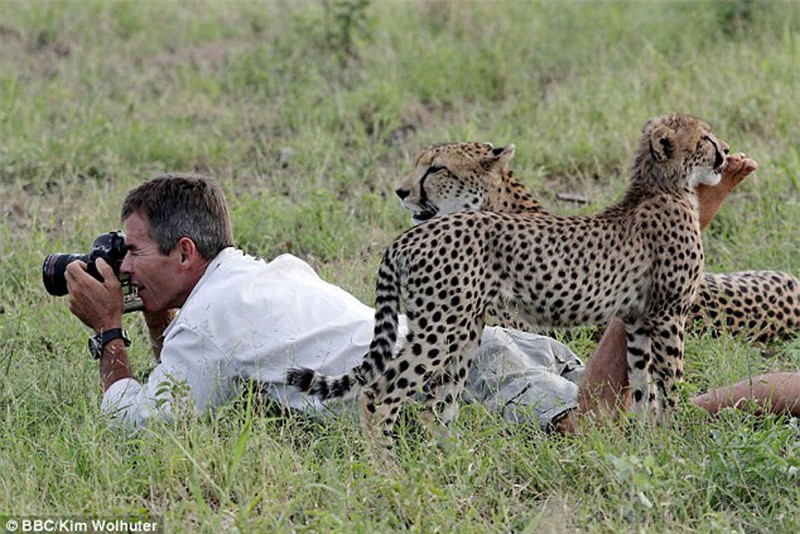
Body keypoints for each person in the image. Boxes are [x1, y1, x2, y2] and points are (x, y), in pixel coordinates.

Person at [64, 154, 798, 432]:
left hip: (459, 377)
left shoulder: (214, 322)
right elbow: (191, 365)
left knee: (593, 432)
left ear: (186, 253)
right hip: (473, 350)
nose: (120, 269)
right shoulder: (260, 277)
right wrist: (155, 307)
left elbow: (142, 425)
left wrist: (108, 336)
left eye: (130, 253)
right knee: (671, 420)